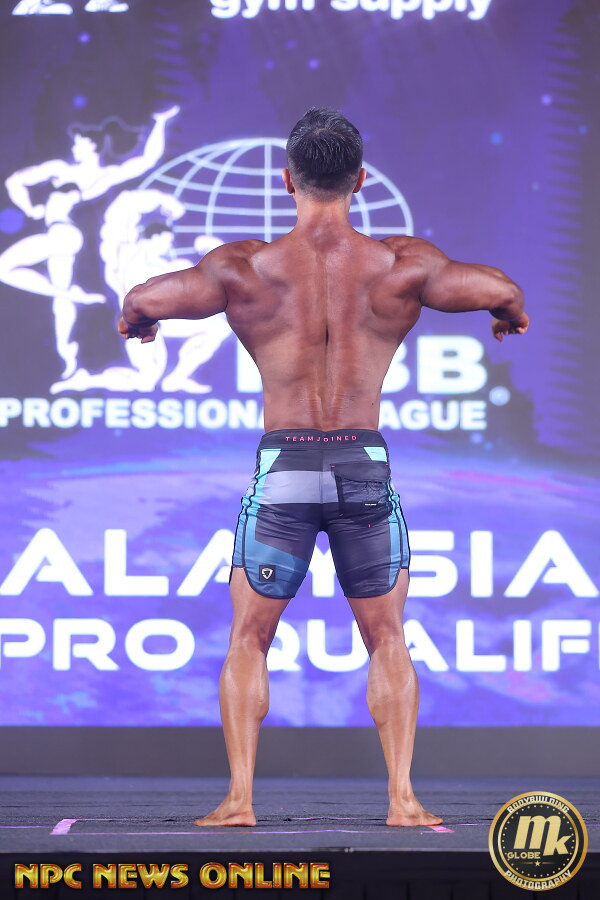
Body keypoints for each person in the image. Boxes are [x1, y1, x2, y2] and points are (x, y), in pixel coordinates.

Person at [119, 108, 529, 827]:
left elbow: (142, 299)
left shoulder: (244, 268)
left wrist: (140, 323)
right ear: (360, 180)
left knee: (249, 637)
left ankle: (239, 801)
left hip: (284, 468)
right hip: (361, 467)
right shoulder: (402, 265)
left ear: (287, 180)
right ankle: (402, 800)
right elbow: (500, 288)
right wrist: (506, 316)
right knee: (387, 637)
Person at [2, 107, 179, 378]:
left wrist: (160, 123)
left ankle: (72, 296)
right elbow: (15, 182)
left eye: (78, 143)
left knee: (4, 267)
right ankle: (68, 359)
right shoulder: (72, 171)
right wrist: (29, 208)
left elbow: (147, 160)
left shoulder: (80, 173)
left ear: (92, 146)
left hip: (62, 235)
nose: (73, 147)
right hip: (65, 237)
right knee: (61, 305)